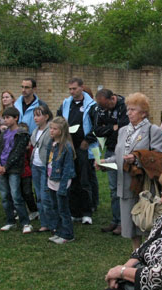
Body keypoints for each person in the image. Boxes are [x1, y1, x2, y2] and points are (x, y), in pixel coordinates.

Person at [100, 92, 162, 250]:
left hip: (142, 185)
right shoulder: (123, 131)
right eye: (128, 109)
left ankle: (150, 252)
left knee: (145, 221)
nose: (129, 113)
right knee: (130, 226)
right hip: (124, 184)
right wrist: (105, 162)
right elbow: (119, 155)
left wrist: (137, 159)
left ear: (143, 112)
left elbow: (161, 156)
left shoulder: (153, 130)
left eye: (133, 110)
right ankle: (136, 253)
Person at [57, 77, 98, 225]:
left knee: (84, 180)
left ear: (82, 88)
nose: (72, 92)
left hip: (83, 147)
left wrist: (87, 140)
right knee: (71, 179)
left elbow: (97, 126)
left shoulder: (92, 105)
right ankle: (74, 211)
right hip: (69, 146)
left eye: (74, 88)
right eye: (70, 89)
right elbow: (59, 120)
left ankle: (87, 212)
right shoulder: (66, 103)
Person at [93, 88, 129, 235]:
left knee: (123, 189)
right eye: (101, 106)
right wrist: (112, 127)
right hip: (110, 149)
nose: (103, 109)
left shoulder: (125, 106)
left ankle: (123, 222)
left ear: (113, 98)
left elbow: (123, 127)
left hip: (124, 151)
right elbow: (97, 129)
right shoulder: (101, 109)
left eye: (105, 106)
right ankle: (115, 220)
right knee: (113, 189)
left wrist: (109, 128)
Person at [0, 107, 33, 234]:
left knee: (16, 195)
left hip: (14, 169)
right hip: (2, 168)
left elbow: (17, 153)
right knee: (5, 196)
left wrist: (7, 166)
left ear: (16, 118)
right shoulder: (4, 133)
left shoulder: (22, 134)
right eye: (4, 118)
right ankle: (10, 221)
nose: (5, 120)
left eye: (8, 118)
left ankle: (25, 222)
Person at [46, 116, 77, 244]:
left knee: (63, 210)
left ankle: (68, 234)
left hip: (61, 183)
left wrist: (63, 188)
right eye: (50, 128)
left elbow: (67, 170)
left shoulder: (66, 148)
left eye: (54, 129)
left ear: (61, 131)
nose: (51, 131)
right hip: (51, 181)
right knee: (55, 208)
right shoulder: (51, 144)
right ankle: (58, 231)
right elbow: (47, 164)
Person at [31, 105, 54, 232]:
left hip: (45, 167)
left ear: (46, 117)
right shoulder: (35, 131)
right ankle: (44, 223)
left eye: (38, 115)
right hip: (35, 166)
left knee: (46, 197)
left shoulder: (50, 130)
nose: (35, 118)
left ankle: (52, 223)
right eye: (34, 115)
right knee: (38, 196)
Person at [18, 122, 39, 221]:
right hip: (17, 172)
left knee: (28, 192)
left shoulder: (29, 145)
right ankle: (22, 211)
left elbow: (32, 157)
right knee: (19, 193)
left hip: (26, 172)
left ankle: (34, 210)